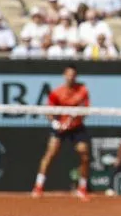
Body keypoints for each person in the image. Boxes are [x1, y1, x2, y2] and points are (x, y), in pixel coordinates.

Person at [31, 65, 92, 200]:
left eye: (73, 75)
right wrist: (55, 123)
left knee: (84, 154)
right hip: (59, 127)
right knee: (50, 154)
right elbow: (49, 111)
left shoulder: (83, 91)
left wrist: (75, 119)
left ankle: (82, 188)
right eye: (68, 75)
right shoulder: (57, 93)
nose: (71, 77)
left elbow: (86, 110)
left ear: (76, 76)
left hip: (77, 127)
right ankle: (38, 186)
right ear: (64, 75)